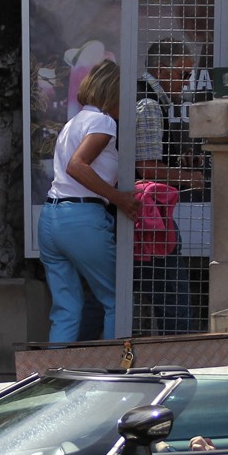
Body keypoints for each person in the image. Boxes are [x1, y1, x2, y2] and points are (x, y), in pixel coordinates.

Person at [39, 60, 139, 343]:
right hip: (81, 218)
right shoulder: (103, 121)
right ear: (115, 94)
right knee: (118, 300)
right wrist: (118, 198)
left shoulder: (74, 122)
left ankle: (58, 368)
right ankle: (115, 367)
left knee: (66, 310)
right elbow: (77, 165)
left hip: (51, 218)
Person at [135, 39, 207, 335]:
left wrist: (178, 163)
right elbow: (146, 167)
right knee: (174, 298)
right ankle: (178, 353)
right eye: (182, 74)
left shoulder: (146, 99)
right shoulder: (150, 105)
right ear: (162, 70)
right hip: (147, 217)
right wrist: (189, 178)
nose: (187, 82)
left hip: (141, 213)